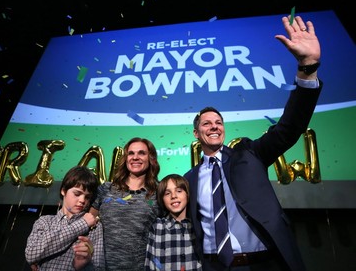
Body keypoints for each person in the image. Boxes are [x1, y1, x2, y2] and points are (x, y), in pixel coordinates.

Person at [183, 15, 322, 271]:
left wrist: (308, 67)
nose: (214, 126)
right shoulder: (189, 179)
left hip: (264, 264)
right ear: (196, 133)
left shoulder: (248, 155)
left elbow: (289, 128)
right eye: (206, 123)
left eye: (218, 122)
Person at [90, 137, 163, 271]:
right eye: (131, 153)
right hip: (99, 267)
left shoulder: (158, 193)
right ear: (125, 158)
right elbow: (87, 223)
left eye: (141, 153)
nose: (135, 157)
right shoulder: (106, 189)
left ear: (151, 158)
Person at [25, 165, 105, 271]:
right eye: (77, 193)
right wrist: (82, 224)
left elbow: (99, 267)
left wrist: (81, 266)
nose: (82, 200)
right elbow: (31, 254)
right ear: (63, 191)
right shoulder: (45, 221)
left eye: (87, 197)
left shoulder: (95, 227)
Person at [145, 174, 202, 271]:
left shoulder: (199, 225)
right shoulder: (157, 226)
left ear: (187, 194)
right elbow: (149, 263)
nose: (174, 196)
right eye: (167, 193)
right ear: (162, 200)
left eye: (179, 191)